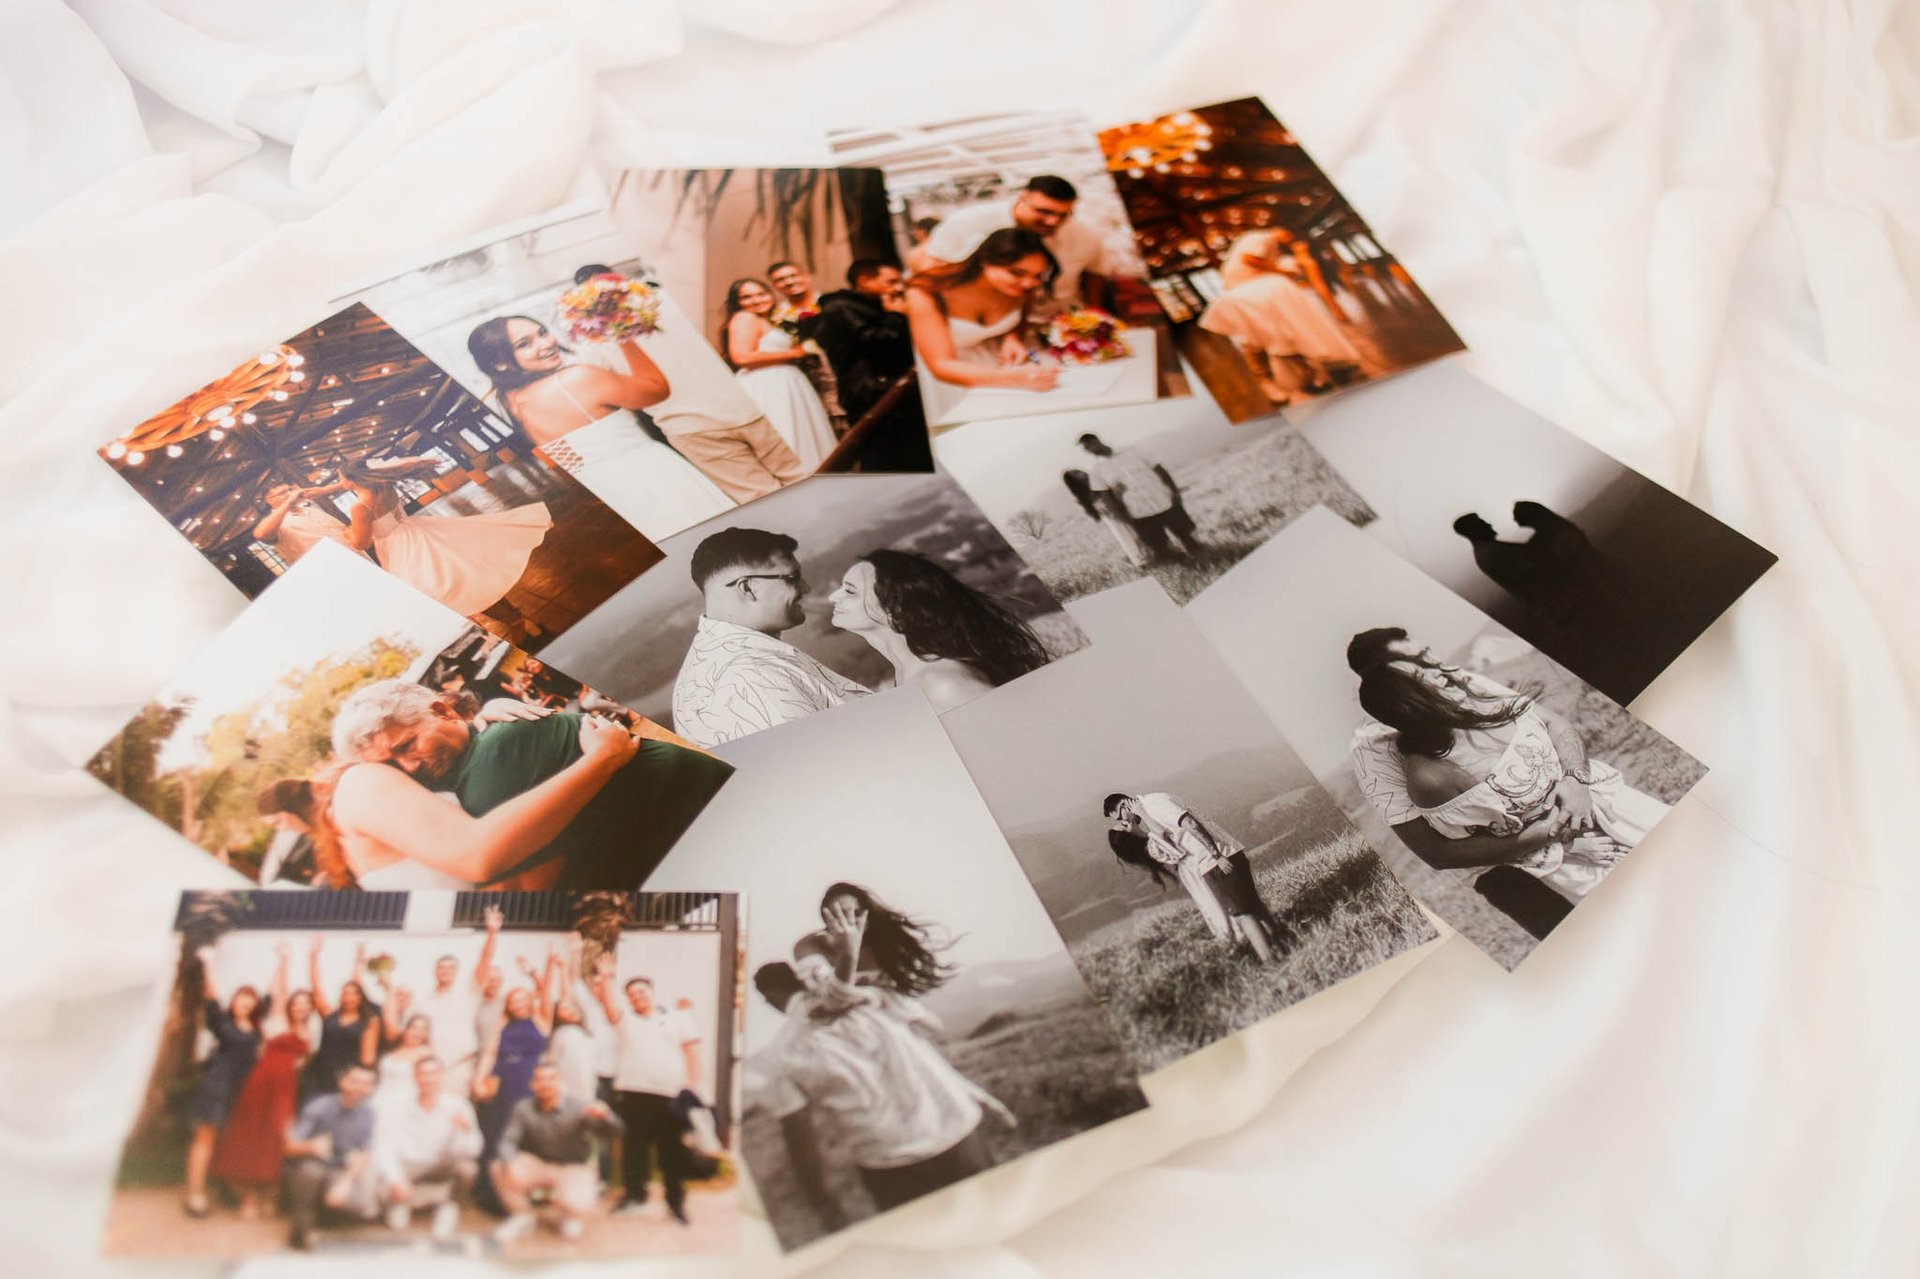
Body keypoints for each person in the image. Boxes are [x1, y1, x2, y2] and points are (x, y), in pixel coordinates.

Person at [1344, 627, 1632, 939]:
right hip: (1510, 871)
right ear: (1389, 674)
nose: (1438, 665)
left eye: (1428, 654)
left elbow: (1551, 722)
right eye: (1420, 663)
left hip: (1576, 813)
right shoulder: (1373, 749)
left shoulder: (1454, 679)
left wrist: (1576, 781)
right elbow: (1436, 851)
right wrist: (1560, 841)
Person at [327, 679, 733, 890]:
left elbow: (502, 870)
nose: (410, 765)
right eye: (394, 761)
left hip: (714, 824)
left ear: (441, 710)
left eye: (408, 745)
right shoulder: (482, 749)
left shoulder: (500, 751)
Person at [1355, 660, 1662, 905]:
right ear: (1410, 702)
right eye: (1425, 677)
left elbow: (1558, 726)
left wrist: (1578, 782)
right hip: (1582, 855)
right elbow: (1481, 843)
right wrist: (1567, 841)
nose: (1443, 674)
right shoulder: (1430, 777)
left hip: (1616, 807)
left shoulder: (1482, 705)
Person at [754, 950, 1014, 1224]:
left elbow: (800, 1135)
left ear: (771, 997)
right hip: (955, 1136)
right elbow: (927, 1049)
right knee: (999, 1222)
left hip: (888, 1164)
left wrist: (822, 1202)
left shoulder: (781, 1054)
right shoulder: (869, 1003)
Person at [467, 314, 731, 541]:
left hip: (608, 491)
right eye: (525, 344)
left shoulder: (509, 404)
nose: (546, 343)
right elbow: (657, 389)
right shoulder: (575, 379)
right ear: (499, 363)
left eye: (542, 332)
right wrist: (622, 335)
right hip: (650, 474)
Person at [559, 263, 807, 504]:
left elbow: (616, 393)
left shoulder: (593, 340)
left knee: (760, 496)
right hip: (739, 406)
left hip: (689, 424)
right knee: (797, 475)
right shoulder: (663, 301)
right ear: (618, 279)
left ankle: (815, 544)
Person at [671, 527, 872, 747]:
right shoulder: (752, 677)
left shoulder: (721, 660)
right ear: (748, 588)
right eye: (792, 578)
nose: (806, 587)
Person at [827, 549, 1050, 713]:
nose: (832, 597)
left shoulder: (943, 684)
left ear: (894, 611)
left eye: (850, 591)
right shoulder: (910, 674)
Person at [348, 453, 553, 618]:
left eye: (341, 480)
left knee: (446, 590)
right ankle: (512, 615)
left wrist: (348, 532)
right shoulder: (386, 487)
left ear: (351, 480)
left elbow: (361, 543)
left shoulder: (359, 507)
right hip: (419, 530)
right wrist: (326, 489)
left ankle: (512, 620)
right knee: (462, 574)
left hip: (402, 549)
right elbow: (351, 484)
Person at [1105, 793, 1285, 961]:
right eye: (1121, 824)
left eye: (1120, 818)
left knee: (1243, 913)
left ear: (1124, 805)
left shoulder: (1152, 806)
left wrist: (1216, 855)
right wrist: (1140, 827)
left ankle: (1270, 959)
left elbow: (1188, 824)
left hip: (1212, 860)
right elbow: (1165, 836)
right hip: (1213, 859)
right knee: (1250, 907)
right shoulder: (1150, 822)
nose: (1125, 822)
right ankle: (1280, 946)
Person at [1198, 226, 1363, 404]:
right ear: (1280, 231)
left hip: (1259, 291)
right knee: (1256, 337)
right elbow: (1250, 259)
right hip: (1248, 290)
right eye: (1288, 235)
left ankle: (1298, 376)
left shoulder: (1273, 254)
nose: (1288, 239)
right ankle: (1268, 379)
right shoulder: (1261, 238)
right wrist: (1282, 271)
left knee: (1275, 335)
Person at [209, 942, 315, 1217]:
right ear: (291, 1005)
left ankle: (270, 1194)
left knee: (275, 1137)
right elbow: (279, 990)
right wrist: (284, 960)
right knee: (249, 1136)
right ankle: (248, 1198)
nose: (301, 1007)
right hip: (260, 1082)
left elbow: (303, 1062)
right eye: (298, 1002)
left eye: (307, 1004)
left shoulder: (310, 1031)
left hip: (285, 1088)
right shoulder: (278, 1017)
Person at [910, 175, 1111, 310]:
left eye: (1064, 215)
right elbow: (931, 270)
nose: (1053, 222)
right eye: (1044, 212)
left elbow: (1094, 274)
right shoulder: (967, 222)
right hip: (987, 322)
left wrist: (1092, 315)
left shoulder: (1084, 234)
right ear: (1022, 198)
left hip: (1061, 321)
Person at [812, 259, 932, 472]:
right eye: (891, 281)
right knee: (886, 461)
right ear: (864, 280)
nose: (898, 287)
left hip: (896, 393)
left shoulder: (878, 304)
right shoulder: (839, 309)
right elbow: (878, 346)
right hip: (872, 396)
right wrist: (896, 316)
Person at [905, 229, 1061, 391]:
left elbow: (1018, 318)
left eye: (1037, 276)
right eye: (1016, 273)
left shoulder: (1021, 289)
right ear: (985, 260)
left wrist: (1012, 336)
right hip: (955, 377)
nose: (1028, 283)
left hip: (1001, 366)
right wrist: (1016, 378)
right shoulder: (926, 293)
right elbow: (941, 365)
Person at [601, 976, 701, 1224]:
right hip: (632, 1092)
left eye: (641, 991)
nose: (637, 996)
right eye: (632, 994)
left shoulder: (678, 1018)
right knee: (634, 1151)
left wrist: (692, 1084)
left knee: (671, 1152)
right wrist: (605, 979)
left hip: (669, 1095)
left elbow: (692, 1051)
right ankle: (635, 1197)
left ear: (652, 991)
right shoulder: (626, 1020)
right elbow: (611, 1009)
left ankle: (675, 1205)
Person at [493, 1061, 625, 1242]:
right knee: (499, 1167)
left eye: (551, 1079)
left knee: (578, 1202)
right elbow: (507, 1141)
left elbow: (616, 1131)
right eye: (540, 1079)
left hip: (571, 1167)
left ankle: (570, 1216)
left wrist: (606, 1116)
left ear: (560, 1082)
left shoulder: (579, 1107)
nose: (545, 1084)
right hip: (538, 1164)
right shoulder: (523, 1108)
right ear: (533, 1084)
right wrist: (509, 1163)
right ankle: (523, 1216)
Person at [721, 278, 838, 471]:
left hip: (786, 384)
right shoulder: (745, 318)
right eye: (747, 297)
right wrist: (796, 353)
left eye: (761, 294)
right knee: (783, 433)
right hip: (766, 384)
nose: (756, 300)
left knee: (800, 434)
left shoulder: (771, 320)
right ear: (737, 302)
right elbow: (742, 356)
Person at [183, 948, 264, 1218]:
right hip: (216, 1087)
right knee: (205, 1139)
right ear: (234, 1000)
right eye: (243, 997)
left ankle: (222, 1188)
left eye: (251, 1000)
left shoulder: (254, 1030)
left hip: (238, 1092)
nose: (247, 1002)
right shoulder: (222, 1022)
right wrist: (208, 964)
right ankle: (194, 1194)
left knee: (226, 1141)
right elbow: (211, 997)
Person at [474, 952, 557, 1214]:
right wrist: (479, 1079)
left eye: (523, 999)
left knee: (529, 1137)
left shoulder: (541, 1019)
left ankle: (527, 1190)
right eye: (513, 1000)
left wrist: (533, 971)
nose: (519, 1003)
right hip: (503, 1080)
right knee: (498, 1135)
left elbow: (545, 991)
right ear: (507, 1005)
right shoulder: (502, 1024)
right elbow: (489, 1053)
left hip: (531, 1081)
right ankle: (492, 1193)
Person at [371, 1055, 482, 1240]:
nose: (428, 1079)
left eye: (433, 1074)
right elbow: (384, 1147)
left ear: (441, 1076)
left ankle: (447, 1207)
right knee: (381, 1180)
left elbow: (474, 1149)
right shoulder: (396, 1107)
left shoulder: (458, 1105)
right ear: (415, 1078)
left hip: (438, 1165)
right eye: (423, 1074)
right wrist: (396, 1180)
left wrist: (464, 1132)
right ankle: (400, 1202)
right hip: (407, 1167)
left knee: (468, 1169)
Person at [284, 1063, 380, 1250]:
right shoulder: (319, 1106)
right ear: (342, 1082)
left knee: (362, 1203)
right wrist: (310, 1146)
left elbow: (364, 1152)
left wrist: (346, 1182)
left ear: (371, 1088)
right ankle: (300, 1229)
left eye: (365, 1084)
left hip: (340, 1168)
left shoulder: (368, 1113)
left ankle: (328, 1215)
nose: (358, 1088)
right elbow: (289, 1146)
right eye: (354, 1081)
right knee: (310, 1171)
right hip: (311, 1165)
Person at [1076, 433, 1202, 562]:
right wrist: (1119, 515)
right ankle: (1178, 559)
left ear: (1096, 441)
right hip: (1139, 511)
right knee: (1159, 545)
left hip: (1162, 499)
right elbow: (1104, 494)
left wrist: (1174, 491)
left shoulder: (1132, 451)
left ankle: (1196, 551)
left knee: (1184, 533)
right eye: (1085, 450)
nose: (1088, 451)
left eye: (1088, 446)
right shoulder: (1095, 469)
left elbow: (1159, 469)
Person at [301, 936, 381, 1104]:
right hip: (319, 1073)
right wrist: (313, 956)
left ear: (361, 997)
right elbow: (316, 988)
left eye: (354, 993)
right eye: (346, 993)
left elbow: (368, 1059)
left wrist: (359, 1083)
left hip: (347, 1079)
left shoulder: (369, 1022)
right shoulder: (330, 1014)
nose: (349, 997)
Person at [257, 778, 357, 889]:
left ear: (293, 809)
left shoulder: (338, 819)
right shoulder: (314, 836)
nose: (282, 829)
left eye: (278, 822)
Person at [252, 477, 372, 564]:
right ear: (270, 500)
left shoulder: (312, 510)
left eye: (289, 490)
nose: (290, 494)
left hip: (359, 558)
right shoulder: (279, 524)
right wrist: (289, 501)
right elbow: (261, 534)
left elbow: (343, 531)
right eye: (282, 493)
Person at [1063, 468, 1150, 568]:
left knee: (1134, 533)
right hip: (1112, 516)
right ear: (1073, 481)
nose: (1081, 474)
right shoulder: (1084, 494)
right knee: (1127, 536)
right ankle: (1140, 560)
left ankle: (1144, 556)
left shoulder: (1095, 482)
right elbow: (1100, 506)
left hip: (1118, 510)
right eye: (1076, 474)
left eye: (1078, 471)